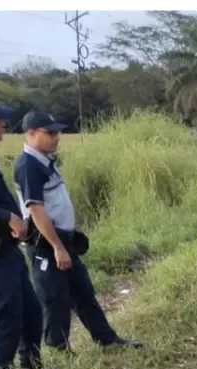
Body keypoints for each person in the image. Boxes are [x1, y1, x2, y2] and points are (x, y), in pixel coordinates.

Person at [14, 110, 143, 353]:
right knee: (55, 300)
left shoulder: (45, 161)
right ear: (30, 133)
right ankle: (59, 350)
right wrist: (57, 247)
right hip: (47, 246)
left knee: (84, 293)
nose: (56, 137)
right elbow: (37, 211)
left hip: (64, 242)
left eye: (57, 132)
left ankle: (107, 340)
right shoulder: (28, 165)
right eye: (49, 133)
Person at [0, 96, 46, 369]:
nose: (3, 123)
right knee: (4, 316)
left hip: (7, 249)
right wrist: (5, 216)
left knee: (30, 312)